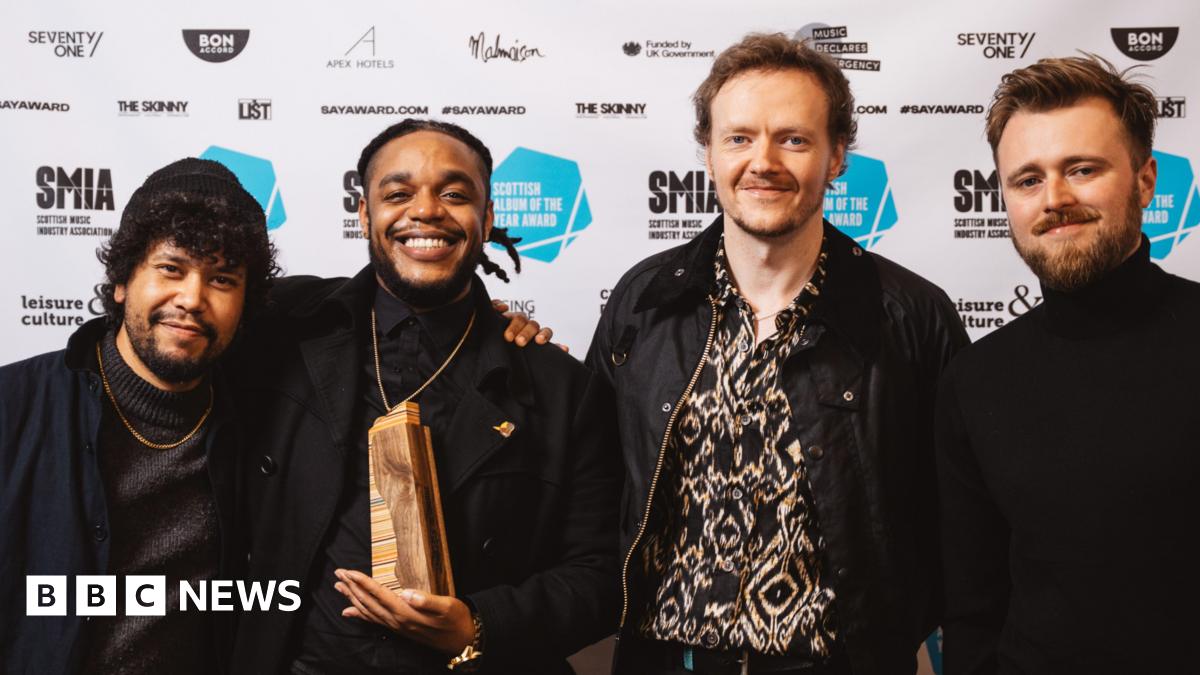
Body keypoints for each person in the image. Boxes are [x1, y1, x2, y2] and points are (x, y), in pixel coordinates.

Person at [588, 33, 968, 675]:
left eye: (793, 138)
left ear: (837, 155)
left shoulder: (910, 317)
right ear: (708, 152)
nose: (762, 161)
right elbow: (589, 477)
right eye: (739, 137)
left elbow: (960, 517)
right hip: (661, 660)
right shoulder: (643, 301)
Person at [229, 119, 621, 675]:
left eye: (455, 194)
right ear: (366, 215)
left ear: (485, 220)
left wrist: (479, 624)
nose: (427, 210)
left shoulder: (559, 387)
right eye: (398, 193)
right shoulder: (281, 325)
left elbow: (603, 573)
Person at [936, 55, 1200, 674]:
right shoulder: (974, 382)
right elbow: (972, 608)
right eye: (1027, 180)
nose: (1054, 199)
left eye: (1082, 169)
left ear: (1145, 181)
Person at [0, 158, 278, 674]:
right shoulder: (15, 406)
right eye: (171, 269)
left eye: (221, 279)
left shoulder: (260, 420)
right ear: (123, 280)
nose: (192, 299)